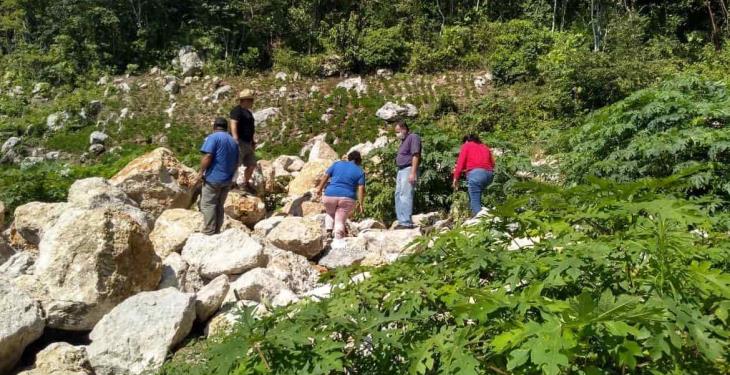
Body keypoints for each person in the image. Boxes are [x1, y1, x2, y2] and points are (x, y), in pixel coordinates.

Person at [196, 117, 239, 235]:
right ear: (226, 128)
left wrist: (200, 172)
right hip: (227, 180)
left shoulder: (213, 137)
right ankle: (217, 231)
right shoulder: (233, 141)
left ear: (214, 127)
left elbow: (208, 156)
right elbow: (236, 162)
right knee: (219, 205)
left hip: (213, 179)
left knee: (208, 204)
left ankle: (209, 231)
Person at [316, 151, 366, 241]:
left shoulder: (337, 164)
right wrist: (361, 204)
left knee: (330, 213)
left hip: (330, 195)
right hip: (347, 198)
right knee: (340, 219)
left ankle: (328, 232)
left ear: (349, 158)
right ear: (359, 161)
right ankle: (338, 240)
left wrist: (319, 189)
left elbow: (326, 176)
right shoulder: (360, 171)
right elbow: (361, 188)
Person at [452, 134, 495, 216]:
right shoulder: (484, 146)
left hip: (476, 175)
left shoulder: (466, 145)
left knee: (475, 203)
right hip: (489, 175)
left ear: (467, 141)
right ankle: (486, 216)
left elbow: (460, 163)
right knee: (478, 197)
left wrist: (455, 179)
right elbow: (492, 163)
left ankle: (481, 224)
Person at [393, 121, 421, 229]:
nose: (397, 134)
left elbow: (415, 155)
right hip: (401, 170)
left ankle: (406, 222)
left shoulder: (413, 137)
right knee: (398, 195)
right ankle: (401, 220)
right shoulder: (403, 141)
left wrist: (413, 172)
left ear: (404, 129)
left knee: (405, 195)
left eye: (398, 131)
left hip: (408, 169)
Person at [229, 89, 257, 194]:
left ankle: (245, 183)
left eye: (251, 100)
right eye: (249, 100)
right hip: (239, 141)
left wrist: (253, 141)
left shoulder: (249, 113)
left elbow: (251, 128)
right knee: (236, 163)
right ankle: (232, 184)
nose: (251, 102)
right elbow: (233, 123)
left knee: (252, 164)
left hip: (248, 142)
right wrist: (235, 138)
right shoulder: (237, 110)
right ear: (244, 100)